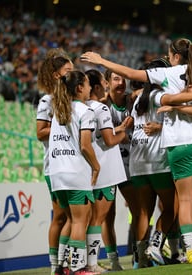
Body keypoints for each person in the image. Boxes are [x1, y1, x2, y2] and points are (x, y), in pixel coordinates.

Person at [81, 38, 192, 264]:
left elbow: (132, 74)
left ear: (174, 56)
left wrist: (101, 60)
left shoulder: (162, 78)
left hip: (174, 144)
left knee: (183, 200)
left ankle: (188, 251)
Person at [124, 58, 178, 268]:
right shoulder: (159, 96)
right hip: (157, 160)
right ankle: (156, 245)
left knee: (143, 212)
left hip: (137, 163)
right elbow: (175, 125)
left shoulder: (139, 99)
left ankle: (140, 257)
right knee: (172, 207)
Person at [49, 70, 100, 275]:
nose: (89, 88)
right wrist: (96, 166)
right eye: (87, 84)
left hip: (57, 173)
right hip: (75, 172)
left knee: (70, 220)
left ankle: (61, 266)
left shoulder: (58, 110)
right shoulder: (85, 111)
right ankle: (78, 268)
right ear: (79, 88)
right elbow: (85, 145)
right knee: (80, 221)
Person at [84, 69, 128, 273]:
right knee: (98, 220)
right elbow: (109, 140)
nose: (107, 85)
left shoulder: (82, 108)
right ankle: (91, 265)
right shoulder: (101, 108)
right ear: (96, 87)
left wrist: (117, 129)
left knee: (95, 219)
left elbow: (99, 136)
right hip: (106, 170)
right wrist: (124, 133)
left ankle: (91, 262)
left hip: (90, 169)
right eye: (104, 82)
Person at [36, 48, 73, 275]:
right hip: (54, 165)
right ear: (57, 75)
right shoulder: (47, 100)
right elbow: (40, 132)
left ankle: (64, 262)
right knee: (63, 216)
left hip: (71, 164)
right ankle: (56, 265)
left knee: (70, 216)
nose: (72, 73)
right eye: (68, 70)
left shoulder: (71, 98)